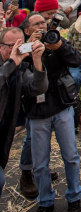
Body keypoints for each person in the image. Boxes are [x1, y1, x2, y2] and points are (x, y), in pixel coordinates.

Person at [23, 14, 81, 212]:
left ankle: (74, 198)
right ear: (27, 30)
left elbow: (76, 60)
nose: (41, 27)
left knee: (71, 156)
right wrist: (28, 51)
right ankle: (45, 202)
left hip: (61, 106)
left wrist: (58, 46)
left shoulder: (54, 40)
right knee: (40, 163)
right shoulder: (23, 48)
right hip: (37, 112)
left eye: (43, 23)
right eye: (36, 24)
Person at [0, 28, 47, 199]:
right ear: (0, 46)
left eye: (20, 45)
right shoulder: (10, 64)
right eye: (11, 46)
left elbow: (38, 88)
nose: (15, 50)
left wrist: (37, 61)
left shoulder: (21, 67)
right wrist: (11, 63)